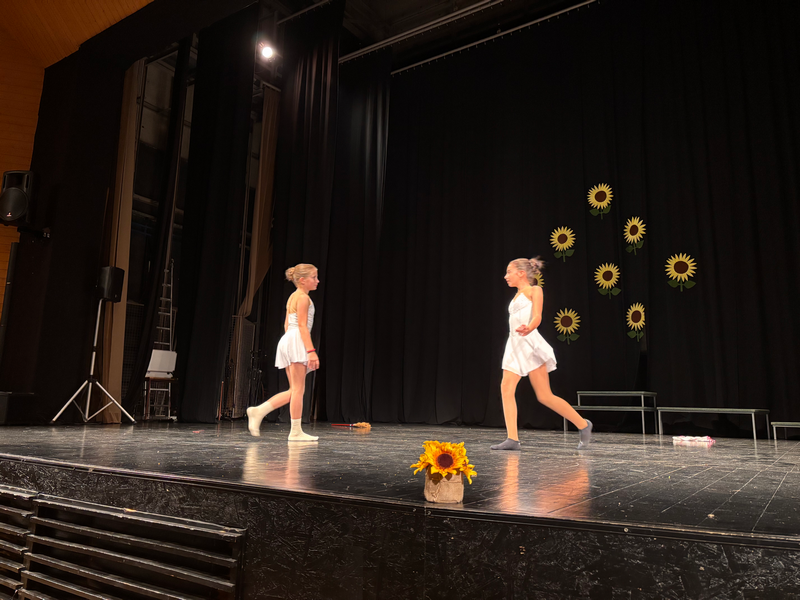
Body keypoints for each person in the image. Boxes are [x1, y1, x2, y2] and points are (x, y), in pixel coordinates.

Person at [491, 257, 592, 450]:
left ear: (521, 273)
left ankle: (583, 424)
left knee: (544, 396)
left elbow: (537, 316)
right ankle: (512, 438)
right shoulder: (516, 294)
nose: (505, 276)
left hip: (530, 344)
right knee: (506, 387)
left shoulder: (534, 290)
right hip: (514, 345)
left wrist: (529, 328)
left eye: (509, 272)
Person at [246, 264, 320, 442]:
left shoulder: (293, 296)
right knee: (298, 390)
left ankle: (259, 411)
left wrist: (289, 343)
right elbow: (302, 326)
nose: (317, 281)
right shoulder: (302, 298)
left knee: (294, 390)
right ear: (302, 280)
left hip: (288, 339)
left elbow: (287, 324)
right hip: (296, 339)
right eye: (314, 277)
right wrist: (310, 351)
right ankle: (295, 431)